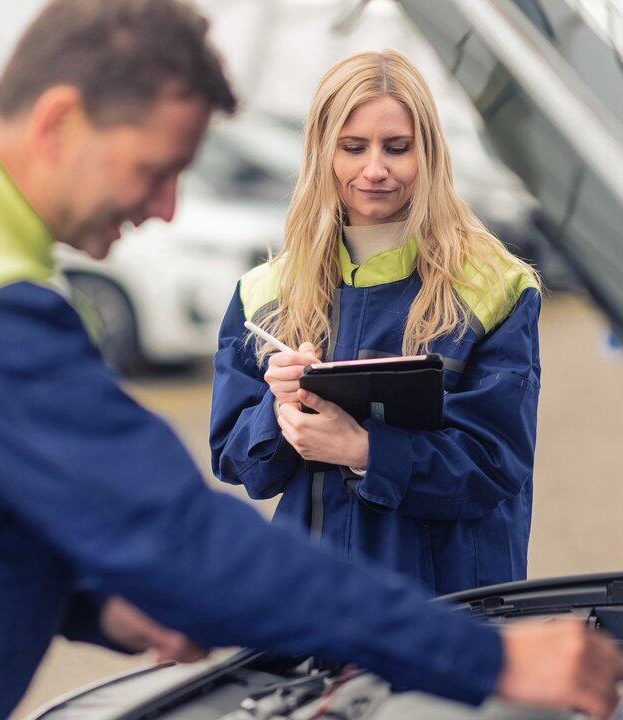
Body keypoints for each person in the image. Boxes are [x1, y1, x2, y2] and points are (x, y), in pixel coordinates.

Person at [0, 2, 623, 719]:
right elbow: (176, 529)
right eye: (156, 170)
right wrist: (491, 659)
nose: (164, 209)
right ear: (59, 121)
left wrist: (99, 604)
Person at [210, 50, 541, 598]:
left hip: (453, 609)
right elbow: (240, 464)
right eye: (353, 147)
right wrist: (281, 409)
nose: (375, 169)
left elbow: (495, 466)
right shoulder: (265, 293)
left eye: (397, 147)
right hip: (316, 609)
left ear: (429, 152)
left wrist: (364, 450)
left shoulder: (495, 287)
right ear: (323, 154)